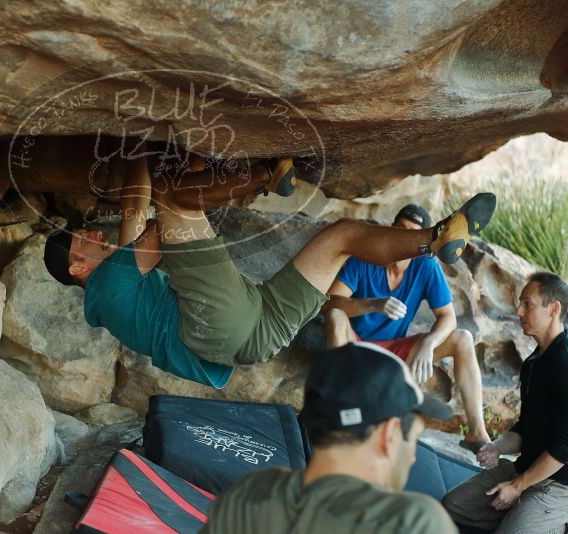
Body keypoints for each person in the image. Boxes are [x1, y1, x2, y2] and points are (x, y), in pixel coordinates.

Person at [43, 148, 496, 389]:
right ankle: (263, 175)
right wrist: (188, 176)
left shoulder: (115, 282)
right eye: (85, 239)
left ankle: (435, 238)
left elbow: (130, 213)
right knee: (171, 196)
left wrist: (136, 154)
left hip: (255, 330)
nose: (94, 233)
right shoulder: (108, 282)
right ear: (78, 266)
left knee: (342, 237)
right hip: (212, 328)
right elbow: (153, 228)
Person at [202, 342, 458, 533]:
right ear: (389, 434)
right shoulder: (415, 522)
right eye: (413, 438)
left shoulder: (248, 494)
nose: (413, 456)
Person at [322, 204, 491, 451]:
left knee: (463, 338)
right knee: (336, 316)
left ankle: (477, 432)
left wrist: (429, 342)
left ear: (420, 241)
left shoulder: (426, 265)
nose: (404, 237)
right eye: (400, 229)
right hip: (354, 346)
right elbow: (329, 305)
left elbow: (448, 317)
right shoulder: (364, 257)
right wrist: (372, 304)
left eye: (412, 233)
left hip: (393, 352)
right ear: (391, 230)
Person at [442, 272, 568, 533]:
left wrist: (517, 486)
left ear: (553, 309)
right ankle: (522, 517)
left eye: (528, 304)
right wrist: (497, 448)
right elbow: (526, 427)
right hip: (526, 468)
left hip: (559, 485)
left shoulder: (565, 364)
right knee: (454, 505)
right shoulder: (534, 363)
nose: (519, 310)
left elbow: (564, 447)